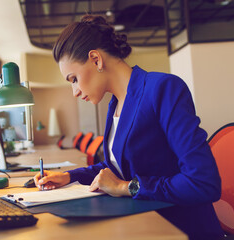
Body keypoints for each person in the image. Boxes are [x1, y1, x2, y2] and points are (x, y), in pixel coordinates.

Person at [33, 15, 224, 240]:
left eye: (73, 79)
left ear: (95, 59)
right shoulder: (115, 103)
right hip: (140, 223)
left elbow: (203, 182)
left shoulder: (162, 89)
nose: (74, 91)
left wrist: (127, 188)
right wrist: (68, 176)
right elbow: (117, 167)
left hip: (178, 230)